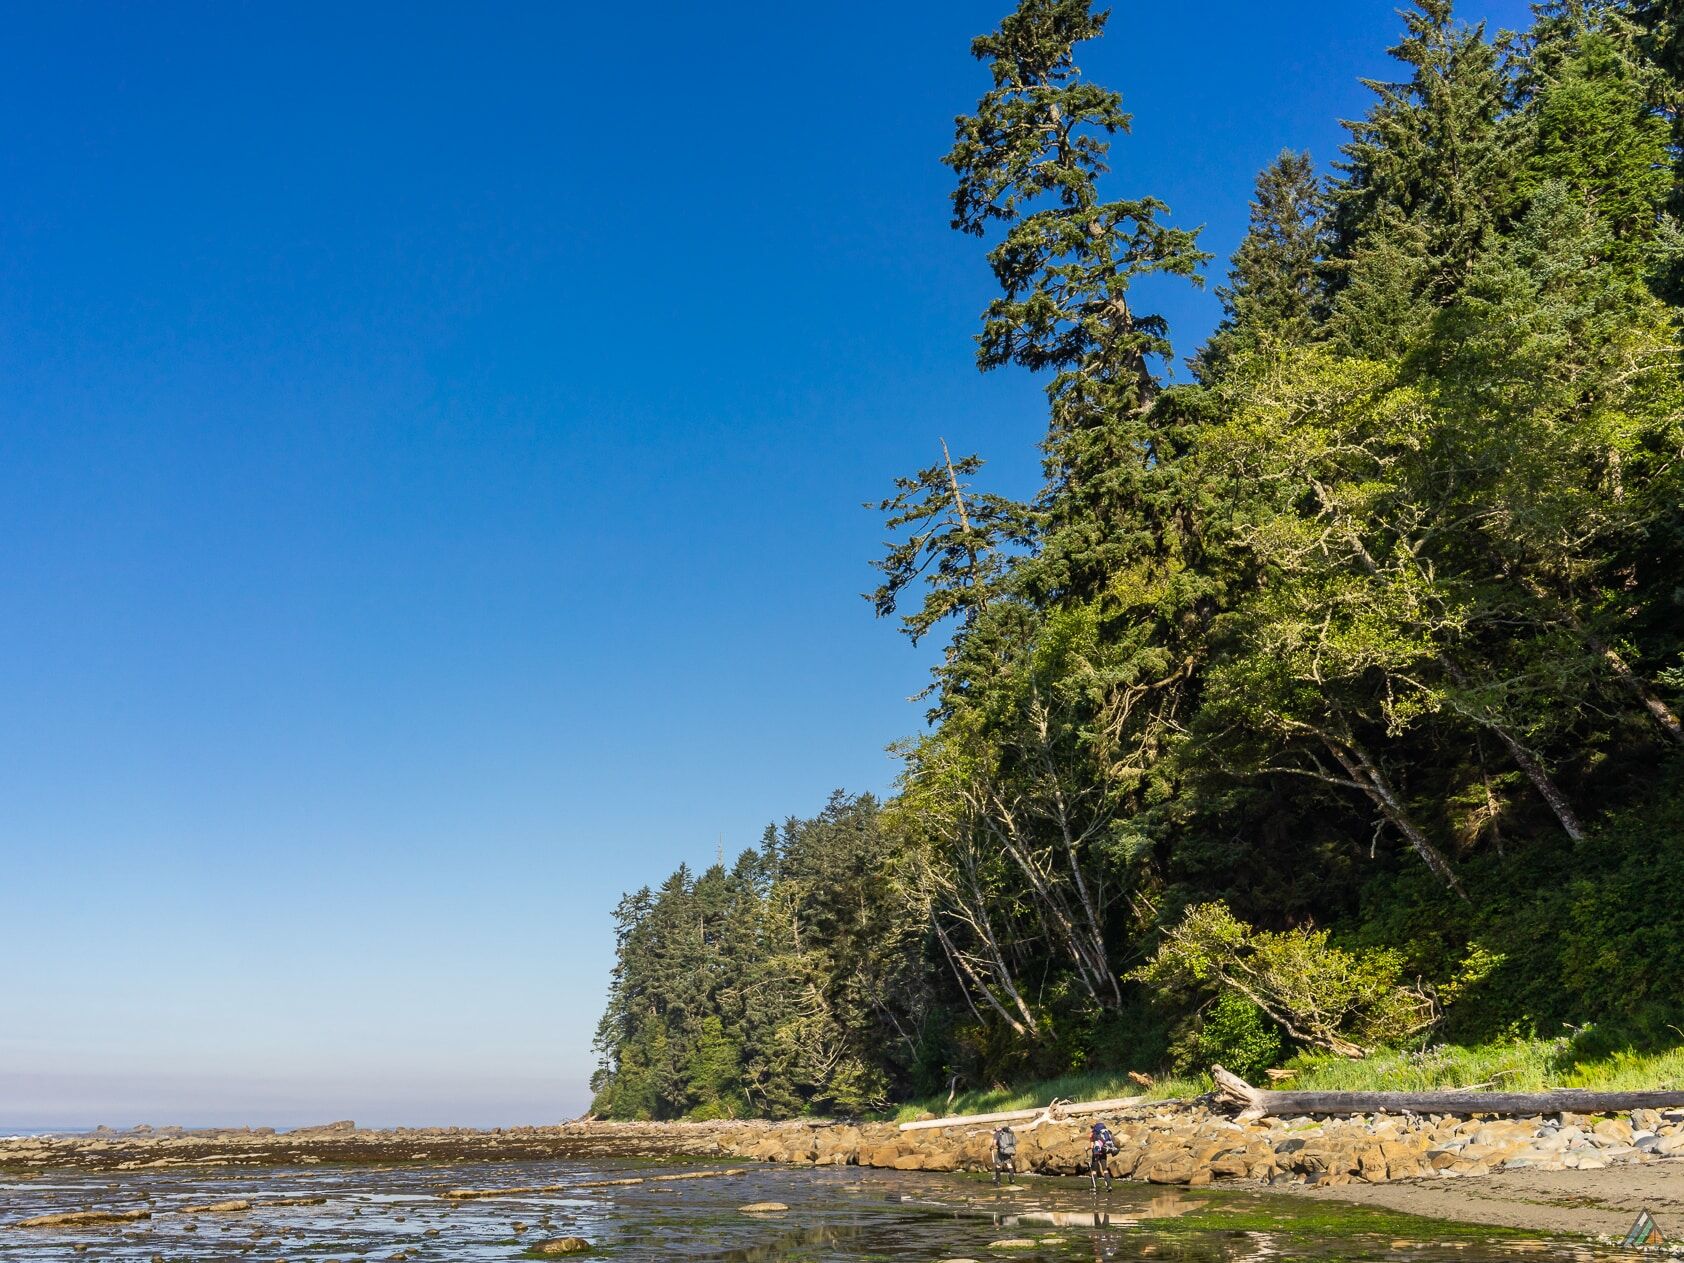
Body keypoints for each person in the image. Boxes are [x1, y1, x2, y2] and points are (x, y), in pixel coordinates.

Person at [1087, 1119, 1117, 1191]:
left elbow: (1091, 1146)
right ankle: (1109, 1186)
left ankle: (1093, 1187)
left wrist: (1086, 1148)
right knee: (1105, 1169)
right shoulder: (1105, 1132)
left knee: (1094, 1170)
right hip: (1103, 1151)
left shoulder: (1092, 1134)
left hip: (1096, 1153)